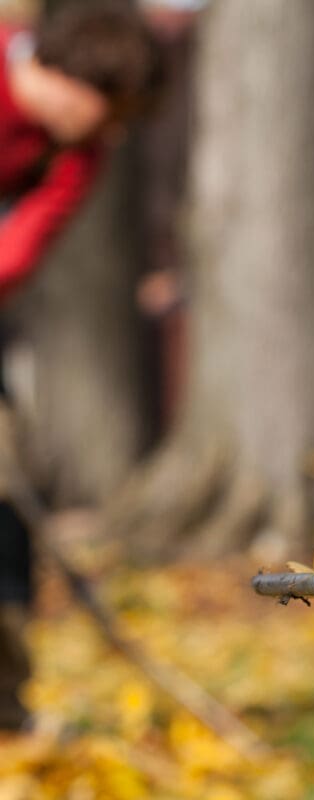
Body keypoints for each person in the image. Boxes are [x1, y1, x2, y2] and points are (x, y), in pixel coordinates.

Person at [0, 1, 164, 731]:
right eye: (115, 109)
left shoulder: (76, 152)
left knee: (5, 501)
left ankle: (5, 700)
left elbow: (16, 254)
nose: (117, 130)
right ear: (75, 82)